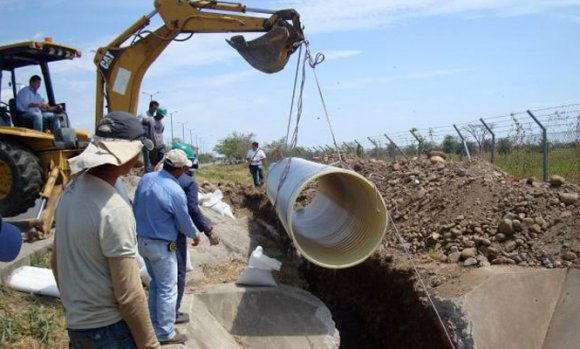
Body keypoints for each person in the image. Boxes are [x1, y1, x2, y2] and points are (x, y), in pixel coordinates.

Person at [51, 111, 159, 349]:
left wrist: (76, 310)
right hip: (109, 332)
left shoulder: (70, 192)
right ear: (128, 154)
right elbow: (129, 295)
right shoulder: (114, 209)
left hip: (78, 328)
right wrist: (150, 344)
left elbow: (55, 262)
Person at [133, 149, 201, 345]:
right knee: (167, 289)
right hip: (162, 246)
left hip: (143, 242)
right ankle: (165, 333)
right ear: (179, 169)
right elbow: (183, 220)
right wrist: (195, 235)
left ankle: (154, 326)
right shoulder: (175, 190)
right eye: (185, 168)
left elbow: (135, 205)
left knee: (155, 284)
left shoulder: (146, 179)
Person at [171, 143, 220, 324]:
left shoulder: (154, 177)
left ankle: (160, 313)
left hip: (151, 235)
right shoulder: (188, 182)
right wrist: (207, 230)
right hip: (174, 236)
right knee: (178, 273)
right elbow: (191, 209)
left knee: (162, 279)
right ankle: (173, 314)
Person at [137, 100, 159, 173]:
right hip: (144, 138)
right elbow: (136, 122)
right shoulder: (144, 114)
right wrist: (143, 121)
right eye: (154, 108)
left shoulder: (154, 117)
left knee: (152, 156)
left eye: (156, 109)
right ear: (150, 107)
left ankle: (151, 170)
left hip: (152, 139)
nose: (155, 110)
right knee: (146, 154)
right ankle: (147, 172)